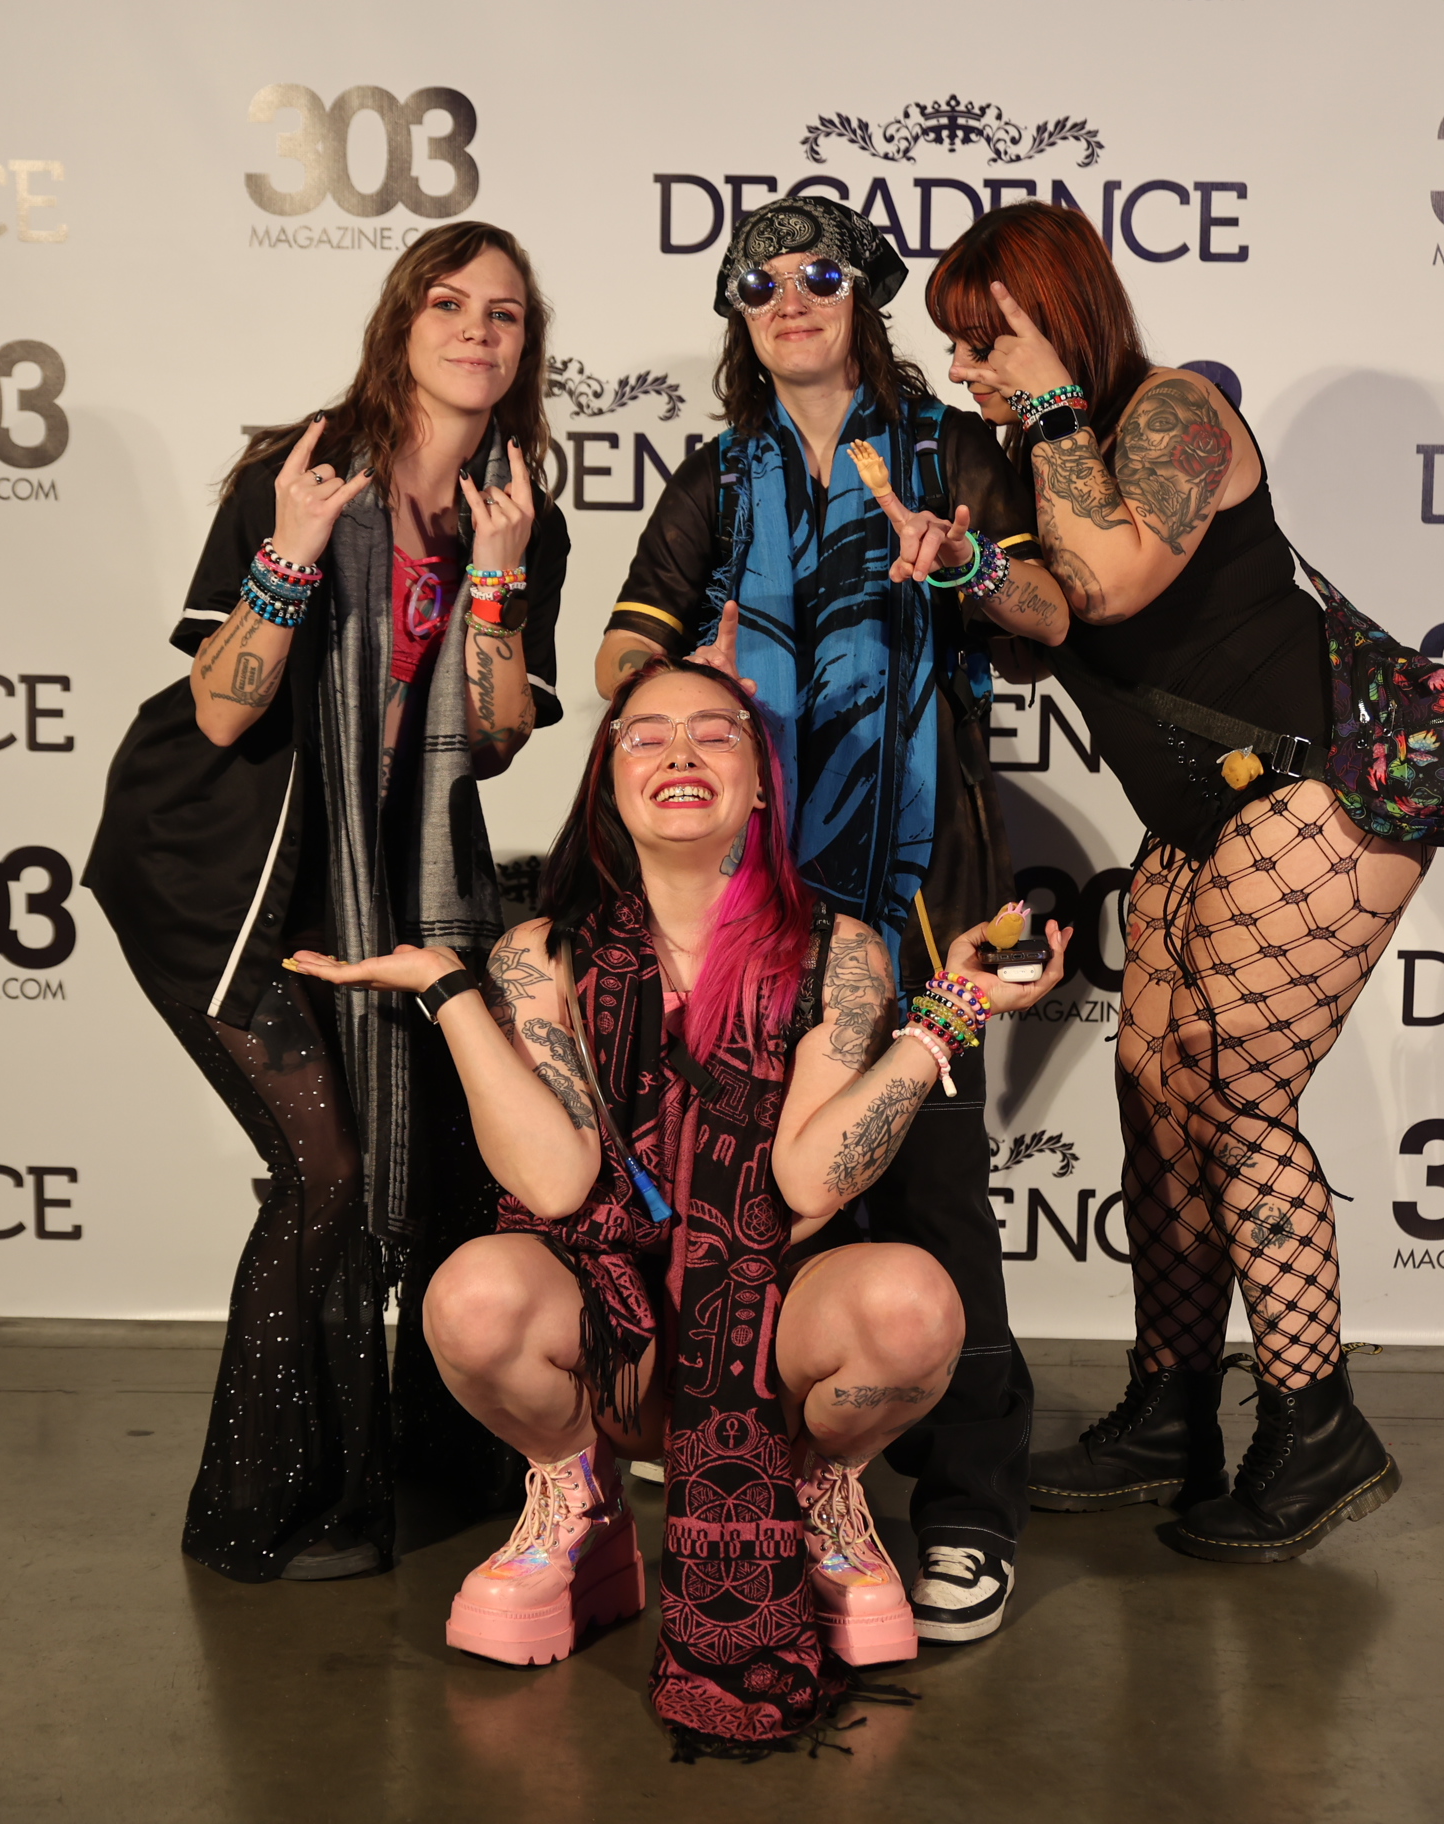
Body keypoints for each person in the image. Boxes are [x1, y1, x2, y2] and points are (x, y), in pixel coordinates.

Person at [287, 658, 1069, 1754]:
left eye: (715, 732)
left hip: (767, 1344)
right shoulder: (540, 955)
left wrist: (947, 1020)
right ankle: (578, 1498)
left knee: (913, 1307)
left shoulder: (841, 954)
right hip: (615, 1347)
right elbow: (554, 1184)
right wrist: (454, 997)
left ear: (762, 788)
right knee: (472, 1299)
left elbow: (807, 1182)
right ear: (610, 780)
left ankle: (819, 1493)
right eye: (646, 735)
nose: (681, 753)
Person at [595, 195, 1066, 1643]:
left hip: (921, 885)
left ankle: (971, 1509)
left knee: (932, 1190)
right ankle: (805, 1481)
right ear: (736, 315)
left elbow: (1051, 614)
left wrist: (966, 565)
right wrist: (692, 658)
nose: (787, 299)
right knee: (765, 1180)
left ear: (864, 295)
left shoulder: (952, 451)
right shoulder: (718, 477)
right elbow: (619, 651)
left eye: (817, 274)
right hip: (760, 893)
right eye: (758, 282)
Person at [926, 201, 1426, 1562]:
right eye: (955, 347)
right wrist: (965, 560)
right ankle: (1170, 1412)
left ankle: (1319, 1429)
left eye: (986, 339)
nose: (965, 369)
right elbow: (1037, 616)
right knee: (1156, 1094)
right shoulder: (1028, 456)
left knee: (1238, 1100)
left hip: (1313, 790)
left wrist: (1049, 409)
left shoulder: (1172, 412)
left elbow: (1106, 579)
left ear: (1056, 320)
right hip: (1196, 819)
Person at [82, 223, 571, 1583]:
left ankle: (423, 1465)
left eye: (505, 314)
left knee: (446, 1163)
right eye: (448, 303)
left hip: (388, 879)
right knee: (328, 1172)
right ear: (400, 322)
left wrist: (499, 581)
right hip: (220, 864)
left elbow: (493, 742)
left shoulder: (520, 508)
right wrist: (291, 550)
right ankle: (264, 1509)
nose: (476, 332)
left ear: (527, 347)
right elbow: (224, 712)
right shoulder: (299, 472)